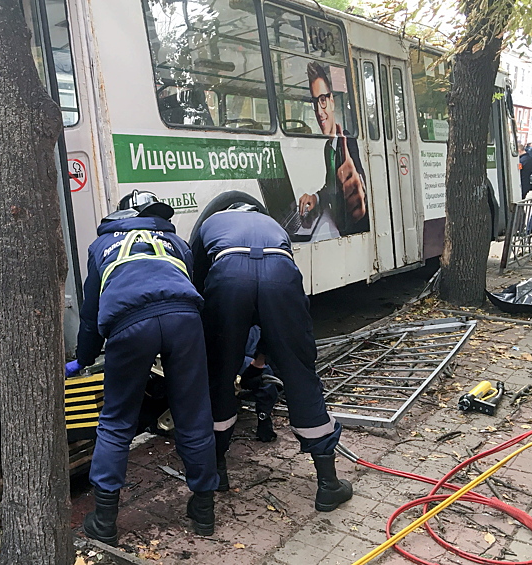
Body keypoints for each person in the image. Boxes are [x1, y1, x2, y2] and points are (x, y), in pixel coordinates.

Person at [66, 190, 218, 544]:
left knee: (117, 419)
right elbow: (188, 287)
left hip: (129, 323)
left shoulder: (100, 247)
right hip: (184, 319)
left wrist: (84, 358)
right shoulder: (176, 242)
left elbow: (90, 313)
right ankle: (204, 512)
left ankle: (104, 521)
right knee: (193, 412)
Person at [191, 202, 353, 512]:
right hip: (280, 275)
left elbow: (197, 281)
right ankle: (328, 484)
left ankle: (217, 472)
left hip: (227, 277)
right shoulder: (272, 225)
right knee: (300, 375)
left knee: (218, 377)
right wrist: (264, 357)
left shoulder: (211, 223)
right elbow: (276, 310)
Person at [298, 62, 369, 237]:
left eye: (322, 100)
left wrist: (359, 191)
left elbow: (357, 180)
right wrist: (315, 197)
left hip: (352, 230)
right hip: (337, 225)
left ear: (332, 102)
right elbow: (331, 187)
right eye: (315, 103)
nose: (319, 111)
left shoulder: (348, 142)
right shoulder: (328, 147)